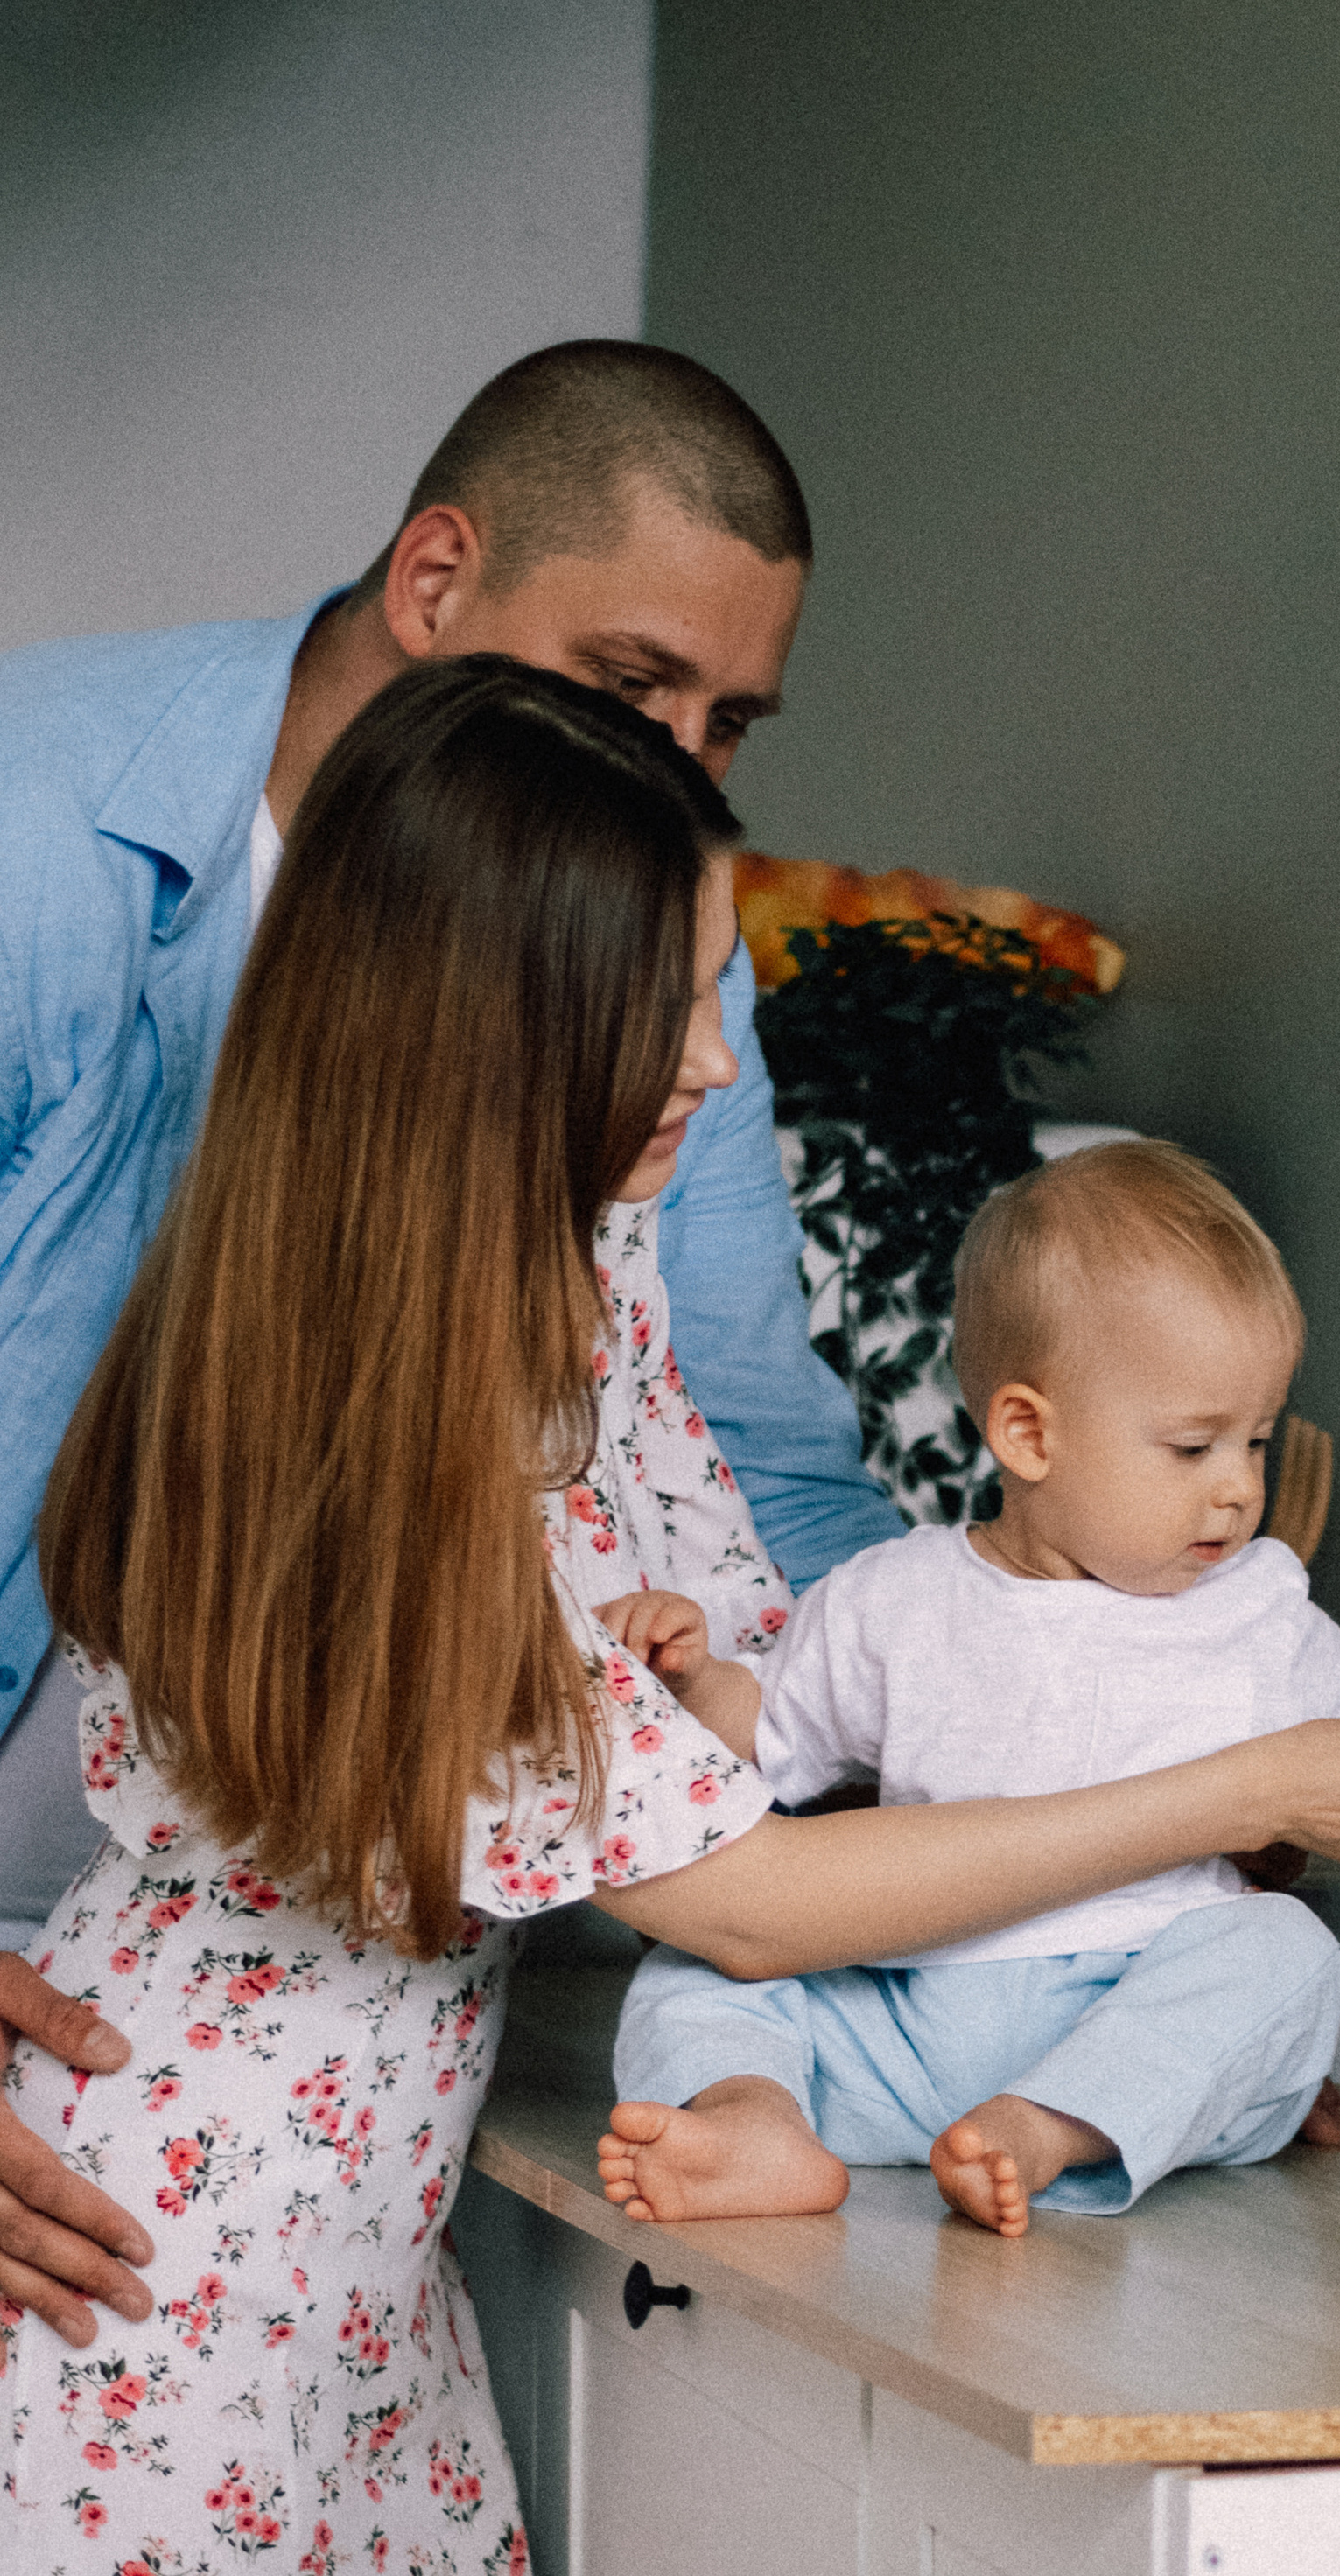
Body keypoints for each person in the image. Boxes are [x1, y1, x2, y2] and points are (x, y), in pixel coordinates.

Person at [3, 656, 1340, 2576]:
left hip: (320, 2317)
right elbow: (718, 1881)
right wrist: (1258, 1778)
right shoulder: (369, 1436)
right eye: (661, 1011)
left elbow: (718, 1704)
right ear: (491, 1038)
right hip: (159, 2320)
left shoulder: (488, 1336)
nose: (715, 1072)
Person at [0, 337, 902, 2332]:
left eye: (729, 720)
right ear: (433, 584)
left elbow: (752, 1419)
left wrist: (987, 1706)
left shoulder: (647, 970)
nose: (682, 762)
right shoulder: (28, 831)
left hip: (296, 1966)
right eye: (631, 684)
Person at [594, 1142, 1340, 2236]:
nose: (1240, 1488)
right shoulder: (894, 1596)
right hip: (903, 2025)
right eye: (1192, 1446)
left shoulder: (1260, 1607)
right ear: (1028, 1433)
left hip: (1138, 2017)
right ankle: (755, 2119)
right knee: (699, 1960)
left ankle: (1052, 2128)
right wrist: (693, 1673)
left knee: (1285, 1955)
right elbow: (757, 1747)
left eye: (1255, 1440)